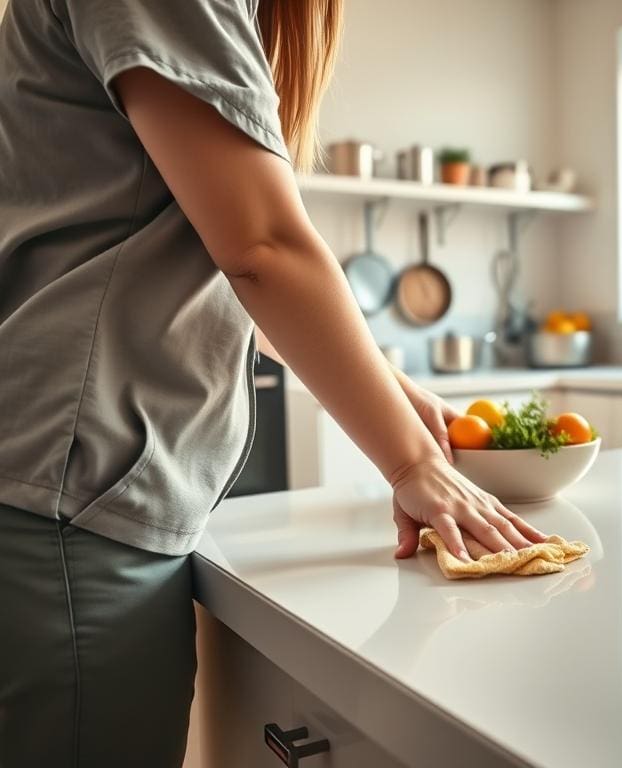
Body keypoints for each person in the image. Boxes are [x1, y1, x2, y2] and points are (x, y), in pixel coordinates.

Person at [0, 1, 546, 765]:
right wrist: (411, 462)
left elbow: (209, 263)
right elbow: (259, 246)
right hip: (72, 503)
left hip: (63, 495)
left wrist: (391, 390)